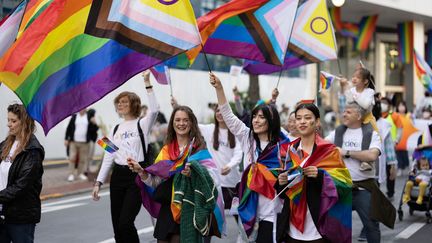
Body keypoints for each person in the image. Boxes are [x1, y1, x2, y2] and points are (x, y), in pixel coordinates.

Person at [210, 73, 289, 242]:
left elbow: (292, 173)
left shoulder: (282, 145)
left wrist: (284, 177)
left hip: (272, 212)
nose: (256, 120)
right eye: (254, 116)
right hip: (248, 209)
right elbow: (229, 117)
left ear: (271, 121)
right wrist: (220, 88)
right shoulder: (247, 137)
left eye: (261, 117)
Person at [129, 105, 223, 243]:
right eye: (177, 120)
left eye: (185, 120)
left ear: (192, 123)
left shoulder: (199, 149)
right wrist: (141, 172)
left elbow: (212, 179)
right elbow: (155, 183)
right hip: (168, 211)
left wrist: (194, 173)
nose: (181, 123)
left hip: (189, 209)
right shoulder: (166, 151)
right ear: (172, 123)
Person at [92, 70, 159, 243]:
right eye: (118, 102)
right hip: (118, 177)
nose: (120, 105)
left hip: (135, 177)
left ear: (134, 104)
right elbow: (109, 158)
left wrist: (147, 83)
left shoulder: (142, 124)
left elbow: (155, 110)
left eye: (124, 102)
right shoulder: (115, 129)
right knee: (117, 226)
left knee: (125, 222)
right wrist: (98, 183)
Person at [275, 102, 352, 243]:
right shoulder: (290, 150)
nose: (302, 122)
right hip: (292, 227)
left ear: (317, 122)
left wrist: (321, 175)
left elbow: (345, 184)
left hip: (320, 227)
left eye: (307, 117)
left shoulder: (329, 151)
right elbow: (287, 189)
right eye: (298, 118)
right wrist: (281, 181)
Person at [326, 101, 396, 243]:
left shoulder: (372, 133)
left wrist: (346, 152)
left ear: (358, 116)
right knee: (335, 225)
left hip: (364, 188)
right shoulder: (337, 132)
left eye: (348, 112)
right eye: (344, 111)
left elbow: (372, 155)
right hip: (341, 187)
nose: (344, 114)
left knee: (371, 226)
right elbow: (323, 147)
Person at [0, 104, 44, 243]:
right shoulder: (6, 143)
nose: (9, 124)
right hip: (3, 212)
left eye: (13, 121)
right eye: (8, 120)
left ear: (24, 122)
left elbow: (21, 186)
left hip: (21, 215)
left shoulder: (33, 150)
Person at [342, 67, 377, 171]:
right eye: (353, 77)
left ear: (365, 81)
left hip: (366, 119)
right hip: (354, 120)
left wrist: (354, 96)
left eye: (357, 77)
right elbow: (349, 102)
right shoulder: (352, 90)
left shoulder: (369, 91)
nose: (354, 79)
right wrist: (345, 88)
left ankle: (366, 161)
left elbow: (365, 105)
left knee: (368, 137)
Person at [372, 96, 397, 200]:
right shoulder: (362, 123)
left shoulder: (384, 125)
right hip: (363, 163)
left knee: (376, 188)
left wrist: (392, 164)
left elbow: (388, 146)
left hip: (379, 161)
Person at [64, 108, 99, 181]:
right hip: (74, 141)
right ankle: (71, 174)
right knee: (72, 158)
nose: (82, 109)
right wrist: (66, 139)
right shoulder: (74, 117)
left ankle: (80, 173)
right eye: (80, 108)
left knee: (83, 159)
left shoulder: (89, 117)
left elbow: (94, 130)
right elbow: (69, 128)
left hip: (85, 142)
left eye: (84, 108)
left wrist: (94, 123)